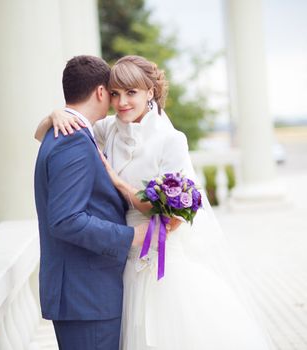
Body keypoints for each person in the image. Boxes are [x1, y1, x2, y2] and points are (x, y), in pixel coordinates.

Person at [36, 55, 273, 350]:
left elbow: (178, 214)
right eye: (116, 93)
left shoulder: (170, 140)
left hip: (158, 262)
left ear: (150, 92)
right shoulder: (108, 128)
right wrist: (54, 115)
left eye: (131, 93)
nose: (122, 102)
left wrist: (118, 181)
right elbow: (68, 129)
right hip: (121, 266)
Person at [34, 55, 150, 350]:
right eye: (112, 92)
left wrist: (53, 114)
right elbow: (66, 219)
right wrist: (132, 236)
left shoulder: (66, 131)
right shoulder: (73, 139)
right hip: (87, 295)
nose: (116, 100)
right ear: (100, 92)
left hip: (83, 293)